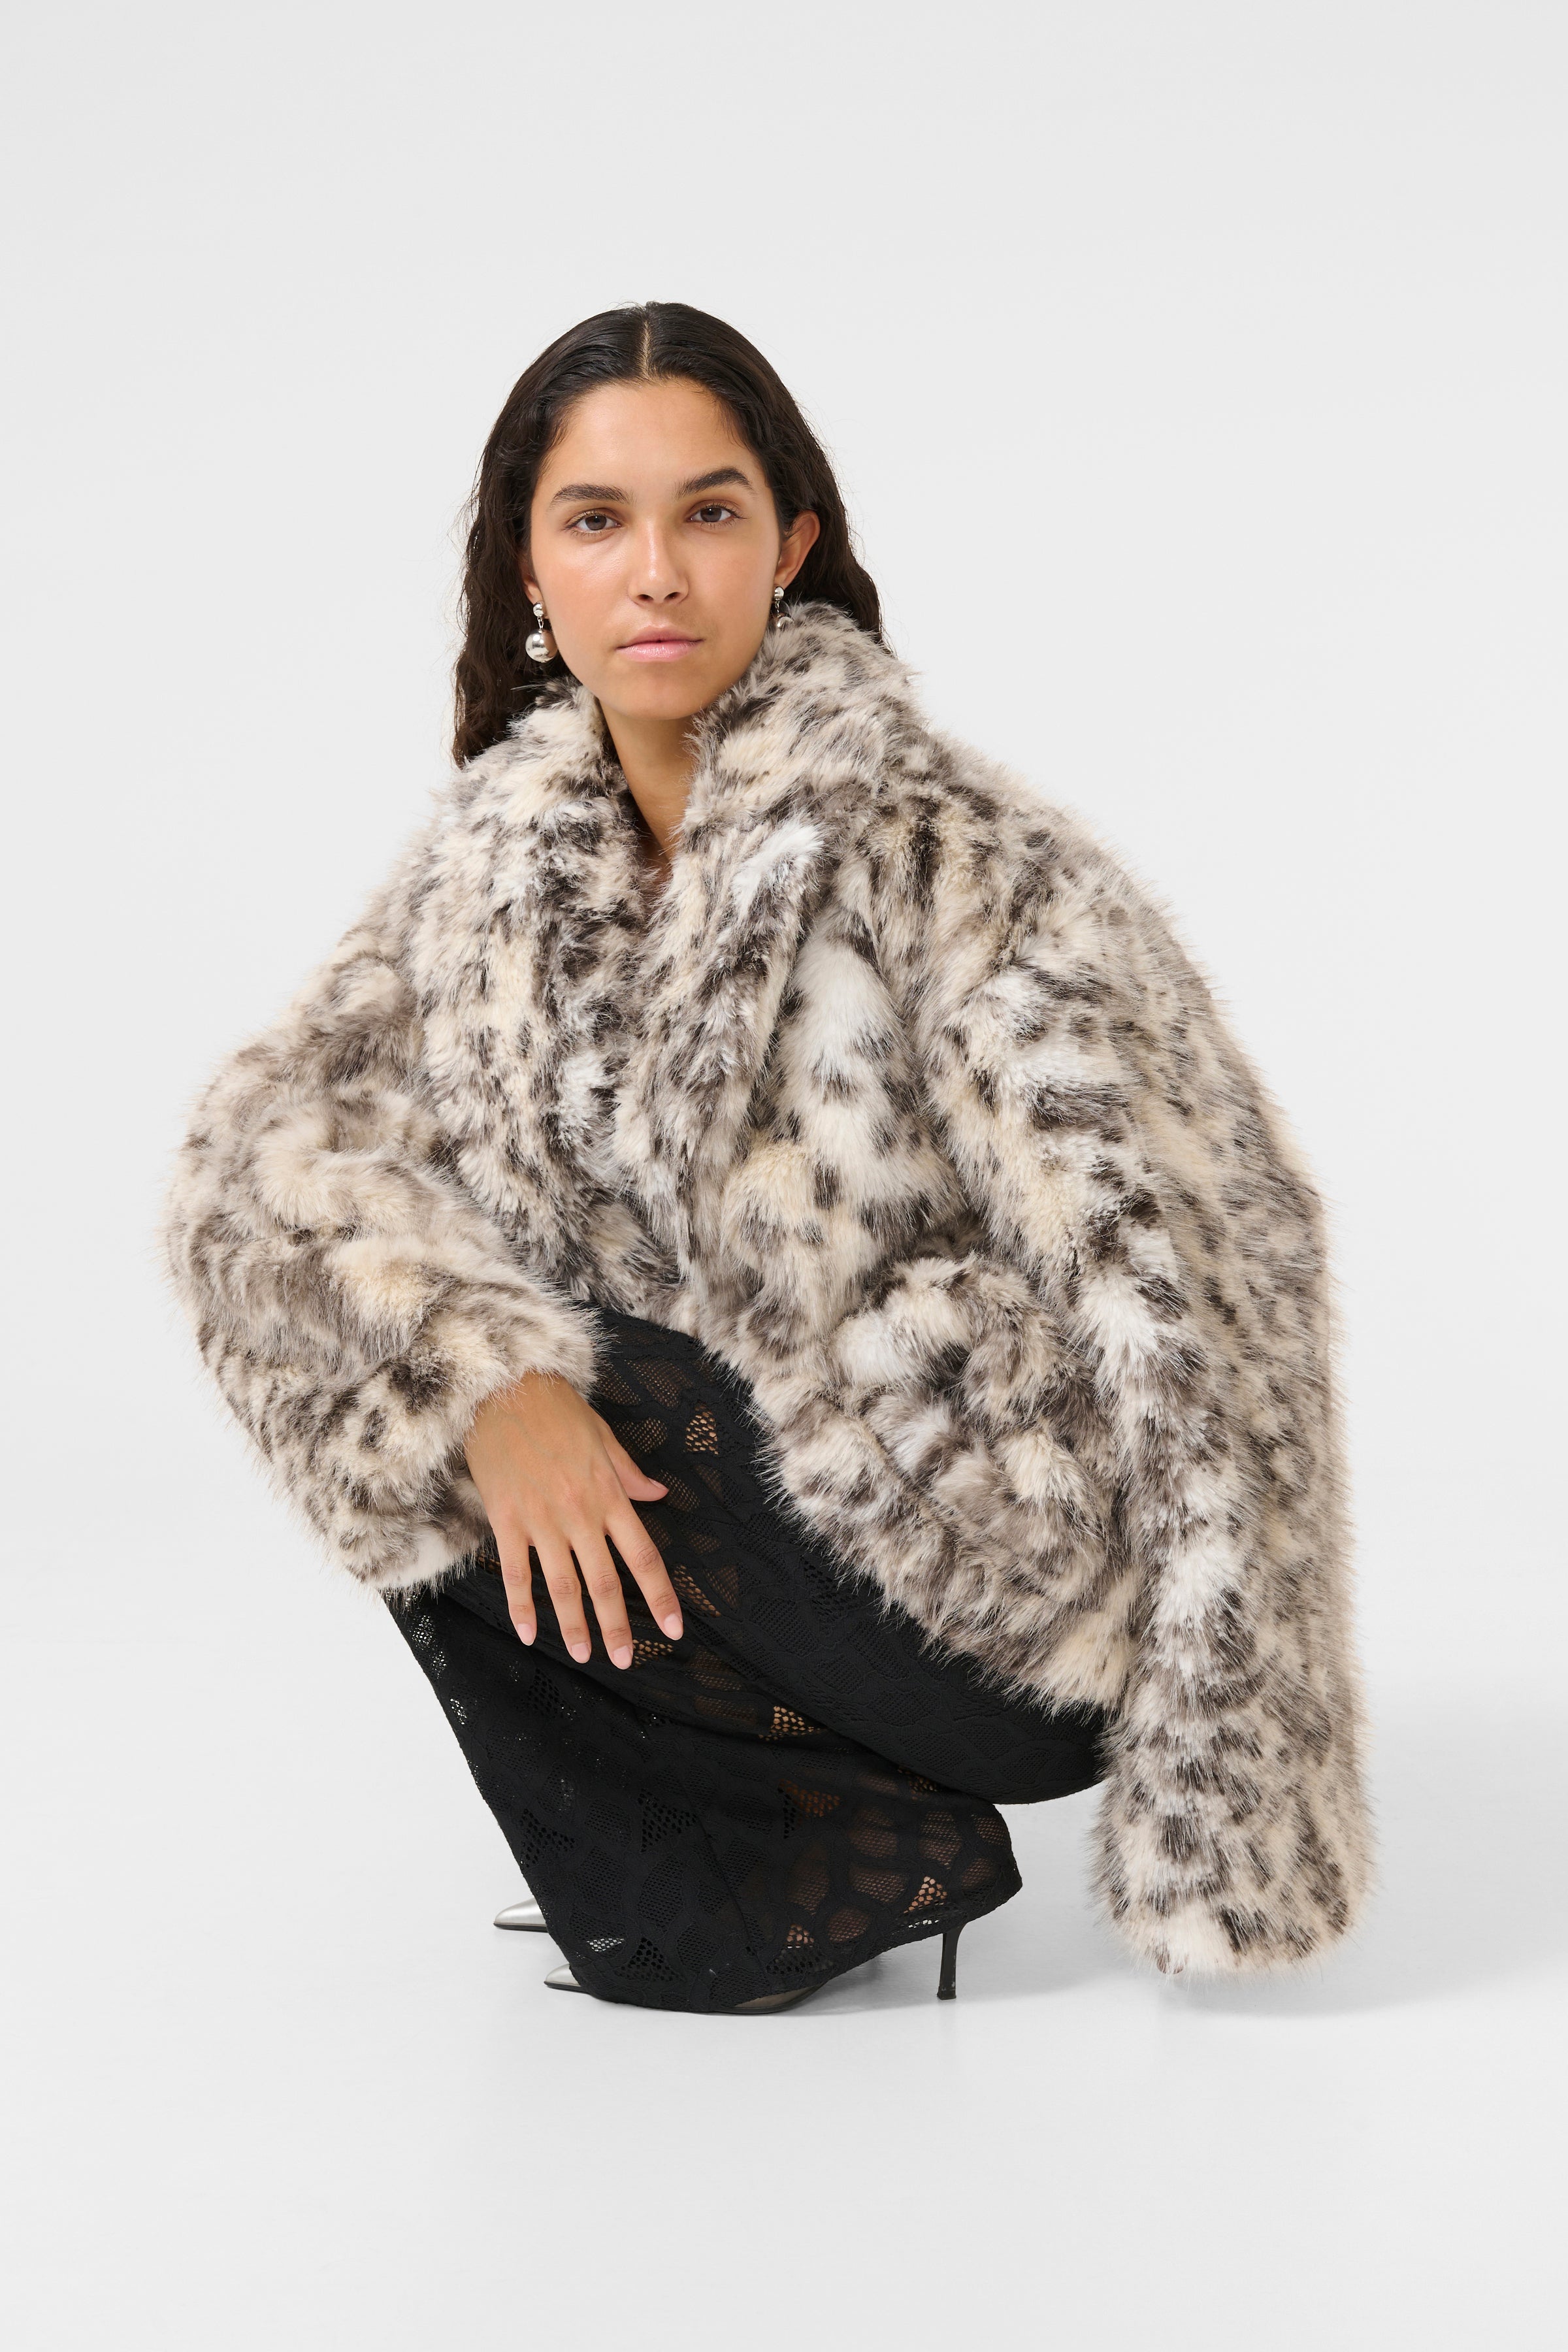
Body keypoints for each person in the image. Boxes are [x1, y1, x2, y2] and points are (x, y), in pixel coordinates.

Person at [163, 302, 1372, 2015]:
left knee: (597, 1381)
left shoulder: (961, 863)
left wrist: (1233, 1789)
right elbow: (257, 1166)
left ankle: (833, 1839)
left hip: (1009, 1594)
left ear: (789, 545)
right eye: (597, 519)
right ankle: (818, 1862)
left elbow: (1216, 1288)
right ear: (528, 562)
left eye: (709, 512)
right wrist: (489, 1381)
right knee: (396, 1358)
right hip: (756, 1549)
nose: (655, 572)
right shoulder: (489, 875)